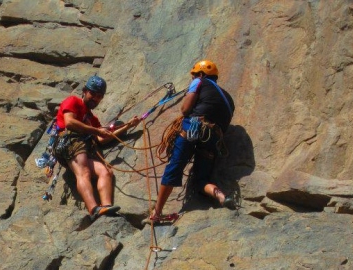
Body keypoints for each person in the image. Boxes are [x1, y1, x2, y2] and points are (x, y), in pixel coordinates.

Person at [151, 60, 236, 223]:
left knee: (174, 166)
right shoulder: (228, 98)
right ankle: (222, 197)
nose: (193, 78)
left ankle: (157, 213)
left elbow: (185, 109)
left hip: (194, 127)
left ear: (202, 74)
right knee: (201, 180)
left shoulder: (199, 82)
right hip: (214, 138)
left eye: (194, 75)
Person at [54, 76, 140, 221]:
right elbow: (69, 122)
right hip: (69, 140)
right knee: (84, 172)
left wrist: (128, 126)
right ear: (85, 91)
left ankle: (106, 207)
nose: (95, 98)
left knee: (106, 171)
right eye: (92, 94)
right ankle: (94, 209)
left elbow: (101, 138)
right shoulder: (73, 101)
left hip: (82, 145)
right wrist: (96, 131)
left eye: (99, 96)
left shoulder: (92, 119)